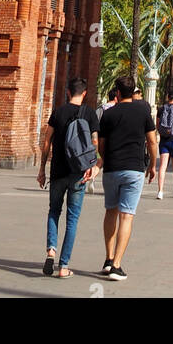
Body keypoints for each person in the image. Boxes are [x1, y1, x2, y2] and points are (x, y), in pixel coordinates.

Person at [37, 77, 100, 277]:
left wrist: (42, 169)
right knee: (72, 218)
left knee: (54, 211)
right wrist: (92, 166)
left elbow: (47, 142)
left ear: (67, 93)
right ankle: (64, 266)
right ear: (84, 94)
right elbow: (95, 143)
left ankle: (50, 251)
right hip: (79, 173)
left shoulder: (58, 112)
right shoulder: (89, 114)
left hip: (57, 172)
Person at [97, 75, 158, 280]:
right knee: (127, 215)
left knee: (110, 212)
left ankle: (108, 258)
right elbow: (151, 141)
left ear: (117, 92)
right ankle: (116, 265)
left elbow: (102, 144)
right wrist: (153, 165)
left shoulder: (109, 114)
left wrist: (106, 160)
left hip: (112, 169)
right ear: (133, 92)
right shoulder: (143, 111)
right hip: (134, 169)